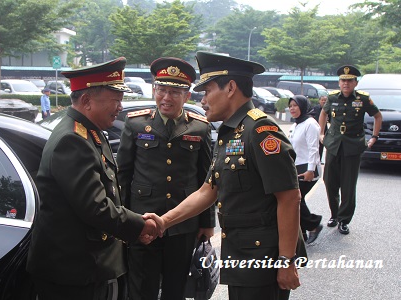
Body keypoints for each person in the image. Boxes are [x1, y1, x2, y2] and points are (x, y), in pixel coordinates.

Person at [146, 51, 302, 300]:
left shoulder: (260, 131)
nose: (203, 100)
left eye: (207, 91)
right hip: (242, 253)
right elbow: (208, 190)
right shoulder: (231, 133)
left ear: (230, 88)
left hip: (263, 259)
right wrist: (164, 222)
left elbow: (289, 197)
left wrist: (286, 260)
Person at [26, 57, 160, 300]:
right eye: (116, 100)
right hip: (73, 272)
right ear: (86, 100)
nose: (120, 107)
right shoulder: (72, 139)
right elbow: (95, 206)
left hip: (87, 266)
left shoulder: (89, 132)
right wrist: (139, 224)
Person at [116, 57, 215, 300]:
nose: (166, 98)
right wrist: (123, 219)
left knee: (176, 286)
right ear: (154, 90)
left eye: (174, 92)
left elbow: (207, 180)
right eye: (161, 90)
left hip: (183, 224)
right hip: (142, 219)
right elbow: (122, 176)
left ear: (187, 96)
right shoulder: (136, 124)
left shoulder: (200, 128)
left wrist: (207, 222)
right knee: (141, 286)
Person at [319, 65, 382, 235]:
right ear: (339, 83)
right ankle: (334, 214)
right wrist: (321, 133)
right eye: (343, 81)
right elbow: (324, 114)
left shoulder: (363, 99)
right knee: (329, 181)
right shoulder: (332, 98)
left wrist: (374, 137)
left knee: (348, 185)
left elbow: (378, 116)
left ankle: (344, 219)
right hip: (333, 144)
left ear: (355, 83)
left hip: (353, 146)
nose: (346, 84)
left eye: (349, 81)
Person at [288, 95, 323, 244]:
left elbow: (314, 149)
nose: (292, 109)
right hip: (296, 167)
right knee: (295, 199)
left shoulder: (311, 124)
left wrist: (310, 170)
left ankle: (314, 224)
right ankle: (302, 232)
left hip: (309, 168)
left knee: (294, 199)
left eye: (295, 105)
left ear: (303, 106)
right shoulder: (295, 125)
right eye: (290, 106)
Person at [313, 95, 328, 161]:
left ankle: (320, 159)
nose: (324, 101)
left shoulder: (329, 109)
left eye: (325, 100)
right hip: (315, 130)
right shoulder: (315, 108)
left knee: (322, 146)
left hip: (324, 130)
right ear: (319, 101)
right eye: (322, 100)